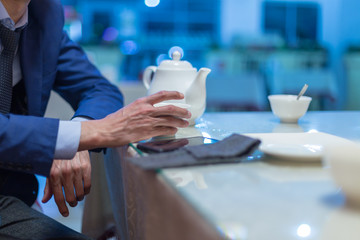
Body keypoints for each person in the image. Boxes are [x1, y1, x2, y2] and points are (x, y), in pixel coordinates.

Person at [0, 0, 190, 239]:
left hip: (15, 197)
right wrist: (86, 134)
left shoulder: (44, 13)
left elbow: (100, 88)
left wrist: (80, 131)